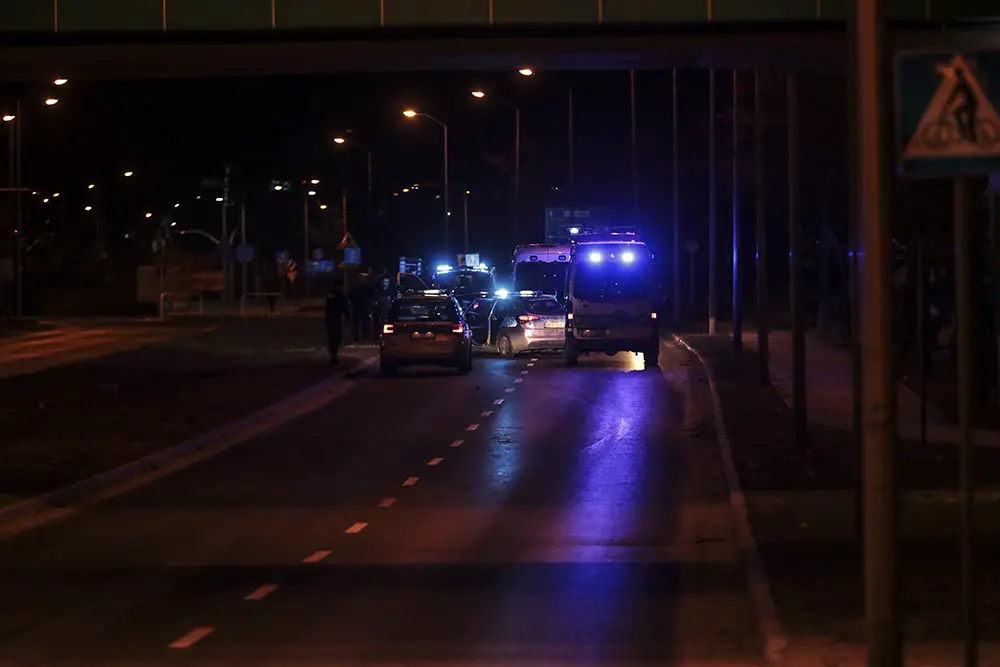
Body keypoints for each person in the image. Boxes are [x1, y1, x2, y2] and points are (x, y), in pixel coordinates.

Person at [324, 283, 349, 365]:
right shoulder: (340, 295)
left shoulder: (331, 295)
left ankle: (333, 356)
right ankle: (334, 357)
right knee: (335, 338)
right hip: (335, 319)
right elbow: (345, 307)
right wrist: (347, 316)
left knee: (332, 338)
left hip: (330, 319)